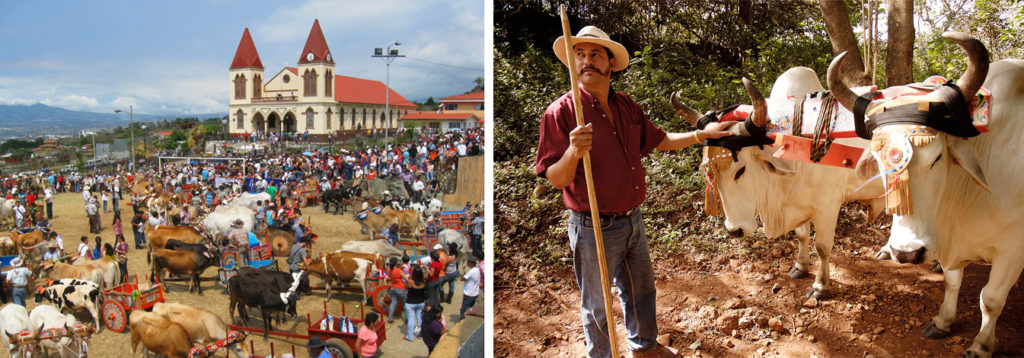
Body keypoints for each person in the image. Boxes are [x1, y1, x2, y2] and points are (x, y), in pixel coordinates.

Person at [535, 26, 731, 358]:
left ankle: (643, 347)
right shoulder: (562, 112)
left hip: (632, 221)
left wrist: (702, 135)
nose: (587, 61)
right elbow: (555, 178)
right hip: (592, 226)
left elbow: (659, 140)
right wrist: (572, 152)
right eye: (579, 54)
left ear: (611, 62)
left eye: (595, 54)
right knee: (597, 305)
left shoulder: (626, 105)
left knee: (641, 292)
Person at [403, 266, 426, 341]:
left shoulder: (410, 282)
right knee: (420, 318)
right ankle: (421, 334)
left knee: (411, 319)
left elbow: (406, 288)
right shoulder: (424, 282)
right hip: (420, 302)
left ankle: (410, 336)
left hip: (410, 303)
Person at [387, 257, 408, 323]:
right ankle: (407, 318)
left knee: (393, 303)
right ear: (396, 263)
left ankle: (390, 318)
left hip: (393, 287)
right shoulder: (398, 270)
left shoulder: (389, 270)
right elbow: (406, 278)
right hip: (401, 288)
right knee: (405, 303)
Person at [459, 257, 481, 321]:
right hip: (474, 293)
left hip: (469, 294)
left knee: (463, 311)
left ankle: (462, 323)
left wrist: (462, 274)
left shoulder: (471, 271)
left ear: (470, 263)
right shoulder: (477, 269)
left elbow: (462, 279)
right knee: (470, 309)